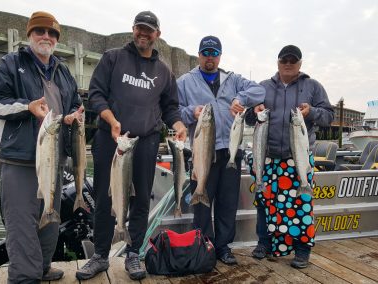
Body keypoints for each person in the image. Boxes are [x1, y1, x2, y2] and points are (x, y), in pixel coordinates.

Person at [75, 11, 187, 281]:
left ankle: (133, 253)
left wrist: (179, 123)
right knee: (104, 196)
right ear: (133, 29)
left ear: (157, 35)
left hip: (147, 142)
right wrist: (111, 119)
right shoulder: (113, 58)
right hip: (110, 140)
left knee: (140, 199)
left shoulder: (164, 72)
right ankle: (100, 255)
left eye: (149, 30)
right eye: (140, 28)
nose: (143, 33)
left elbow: (170, 107)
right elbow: (97, 94)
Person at [0, 11, 83, 283]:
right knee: (21, 224)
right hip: (19, 160)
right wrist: (27, 107)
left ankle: (41, 266)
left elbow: (74, 102)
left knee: (50, 219)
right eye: (40, 31)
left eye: (52, 33)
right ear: (29, 34)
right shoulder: (10, 63)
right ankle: (25, 277)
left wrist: (75, 114)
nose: (46, 37)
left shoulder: (63, 71)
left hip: (55, 157)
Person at [177, 35, 265, 265]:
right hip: (202, 151)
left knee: (227, 203)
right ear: (199, 55)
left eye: (214, 53)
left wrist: (240, 97)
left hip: (230, 151)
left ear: (220, 56)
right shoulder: (185, 81)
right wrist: (190, 112)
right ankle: (204, 244)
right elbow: (172, 110)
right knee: (202, 202)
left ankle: (223, 246)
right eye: (206, 53)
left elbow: (259, 91)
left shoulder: (233, 79)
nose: (210, 57)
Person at [246, 45, 334, 268]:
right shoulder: (262, 87)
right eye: (284, 60)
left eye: (292, 60)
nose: (288, 63)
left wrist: (311, 111)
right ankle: (264, 243)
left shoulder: (313, 86)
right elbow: (248, 118)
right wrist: (252, 111)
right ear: (277, 62)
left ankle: (302, 250)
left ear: (300, 64)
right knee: (265, 203)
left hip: (299, 159)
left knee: (301, 205)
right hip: (266, 156)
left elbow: (328, 117)